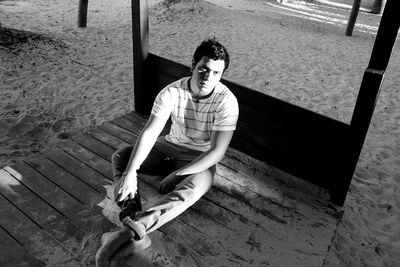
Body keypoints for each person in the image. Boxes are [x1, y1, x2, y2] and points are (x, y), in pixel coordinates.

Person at [95, 38, 239, 266]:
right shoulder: (171, 92)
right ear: (193, 65)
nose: (208, 77)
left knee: (192, 191)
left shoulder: (226, 101)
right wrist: (131, 172)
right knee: (122, 157)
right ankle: (131, 218)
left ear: (221, 74)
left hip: (200, 158)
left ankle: (135, 229)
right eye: (203, 69)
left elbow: (217, 152)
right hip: (169, 147)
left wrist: (178, 175)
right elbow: (150, 132)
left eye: (216, 73)